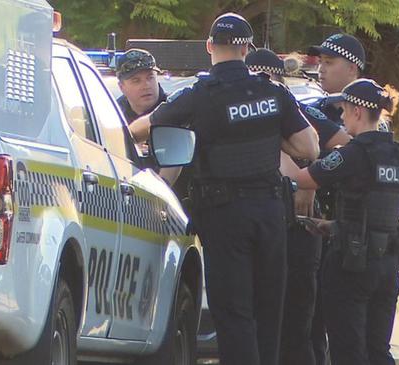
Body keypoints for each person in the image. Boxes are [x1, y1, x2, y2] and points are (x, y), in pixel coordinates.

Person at [128, 13, 319, 365]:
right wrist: (276, 139)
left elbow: (142, 129)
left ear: (209, 47)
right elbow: (310, 148)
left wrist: (115, 132)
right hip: (271, 215)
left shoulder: (199, 95)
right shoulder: (273, 91)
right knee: (268, 313)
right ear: (247, 48)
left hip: (224, 216)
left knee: (234, 315)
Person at [290, 78, 399, 365]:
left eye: (344, 111)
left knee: (348, 351)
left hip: (352, 265)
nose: (341, 119)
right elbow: (376, 208)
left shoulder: (354, 153)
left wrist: (281, 152)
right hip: (388, 265)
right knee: (378, 351)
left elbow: (304, 179)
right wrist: (334, 225)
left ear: (357, 111)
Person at [246, 48, 350, 365]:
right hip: (253, 231)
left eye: (267, 78)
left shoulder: (302, 112)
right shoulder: (232, 117)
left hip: (299, 230)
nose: (261, 86)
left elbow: (349, 148)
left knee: (298, 326)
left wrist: (311, 179)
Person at [304, 32, 368, 364]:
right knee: (310, 326)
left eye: (330, 63)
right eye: (320, 63)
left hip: (352, 239)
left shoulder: (370, 109)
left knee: (349, 337)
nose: (321, 69)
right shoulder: (316, 107)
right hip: (315, 230)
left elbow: (355, 151)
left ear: (354, 69)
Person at [115, 48, 167, 123]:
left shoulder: (176, 110)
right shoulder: (113, 116)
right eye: (136, 81)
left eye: (150, 77)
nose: (146, 86)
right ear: (122, 87)